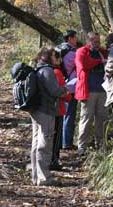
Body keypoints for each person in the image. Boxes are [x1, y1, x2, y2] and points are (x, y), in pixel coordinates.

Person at [30, 47, 68, 186]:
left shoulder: (37, 68)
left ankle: (36, 176)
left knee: (36, 143)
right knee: (45, 145)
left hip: (36, 110)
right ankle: (44, 177)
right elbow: (55, 91)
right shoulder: (48, 71)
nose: (56, 58)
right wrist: (66, 89)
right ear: (48, 57)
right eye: (54, 55)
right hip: (46, 110)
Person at [75, 32, 108, 155]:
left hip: (103, 91)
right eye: (94, 40)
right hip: (88, 91)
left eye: (98, 40)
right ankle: (82, 146)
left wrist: (104, 59)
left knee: (102, 119)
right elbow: (83, 65)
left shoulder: (103, 52)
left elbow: (110, 60)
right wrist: (100, 61)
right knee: (86, 119)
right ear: (88, 41)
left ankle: (101, 145)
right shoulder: (81, 52)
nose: (96, 43)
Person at [51, 50, 71, 170]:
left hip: (46, 109)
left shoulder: (42, 70)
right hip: (57, 108)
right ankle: (54, 160)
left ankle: (49, 159)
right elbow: (64, 92)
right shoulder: (57, 72)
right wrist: (68, 96)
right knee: (56, 136)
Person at [58, 30, 78, 150]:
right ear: (70, 38)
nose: (76, 40)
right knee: (70, 114)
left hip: (59, 85)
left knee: (60, 113)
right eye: (75, 38)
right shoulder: (73, 53)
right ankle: (67, 142)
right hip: (71, 86)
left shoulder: (57, 49)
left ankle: (59, 142)